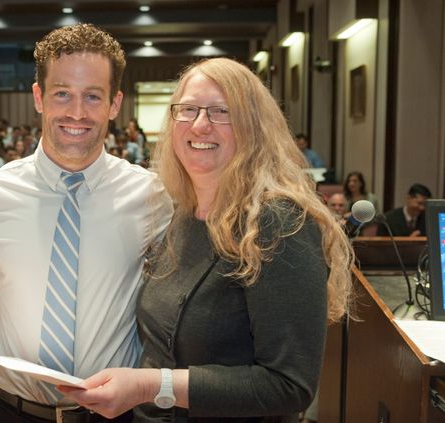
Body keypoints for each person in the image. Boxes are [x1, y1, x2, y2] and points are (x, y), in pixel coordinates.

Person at [61, 57, 353, 421]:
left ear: (254, 127)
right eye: (188, 110)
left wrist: (150, 386)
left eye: (221, 111)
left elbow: (289, 384)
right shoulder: (183, 212)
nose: (200, 125)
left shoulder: (279, 223)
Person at [0, 23, 173, 422]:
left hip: (114, 416)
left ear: (115, 104)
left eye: (92, 96)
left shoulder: (148, 196)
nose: (77, 113)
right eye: (62, 93)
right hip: (10, 411)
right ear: (38, 97)